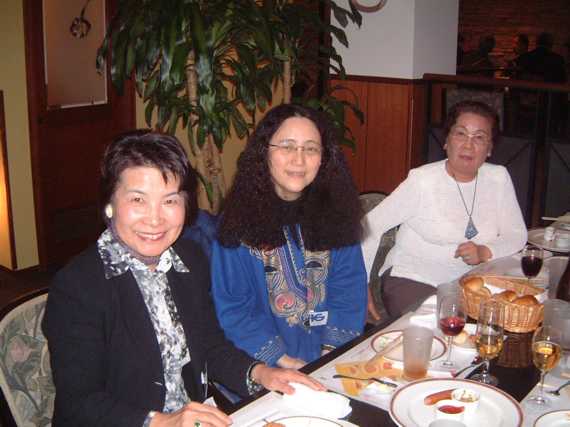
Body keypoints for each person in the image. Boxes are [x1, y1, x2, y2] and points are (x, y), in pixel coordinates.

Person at [42, 131, 323, 427]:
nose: (155, 219)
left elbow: (209, 345)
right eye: (138, 199)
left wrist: (261, 373)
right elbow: (79, 402)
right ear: (109, 203)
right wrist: (161, 422)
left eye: (169, 201)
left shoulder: (188, 259)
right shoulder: (77, 287)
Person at [211, 104, 367, 370]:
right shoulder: (236, 223)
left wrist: (329, 356)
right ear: (265, 152)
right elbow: (235, 309)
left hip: (331, 357)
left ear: (324, 158)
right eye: (287, 146)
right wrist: (283, 362)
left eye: (311, 149)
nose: (299, 159)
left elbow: (348, 291)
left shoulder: (337, 214)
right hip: (265, 367)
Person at [362, 101, 527, 319]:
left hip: (472, 284)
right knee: (441, 326)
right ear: (446, 141)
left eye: (479, 137)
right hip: (413, 278)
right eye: (460, 134)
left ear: (489, 149)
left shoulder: (498, 178)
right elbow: (369, 225)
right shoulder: (422, 181)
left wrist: (484, 251)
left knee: (511, 317)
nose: (468, 145)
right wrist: (359, 284)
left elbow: (516, 234)